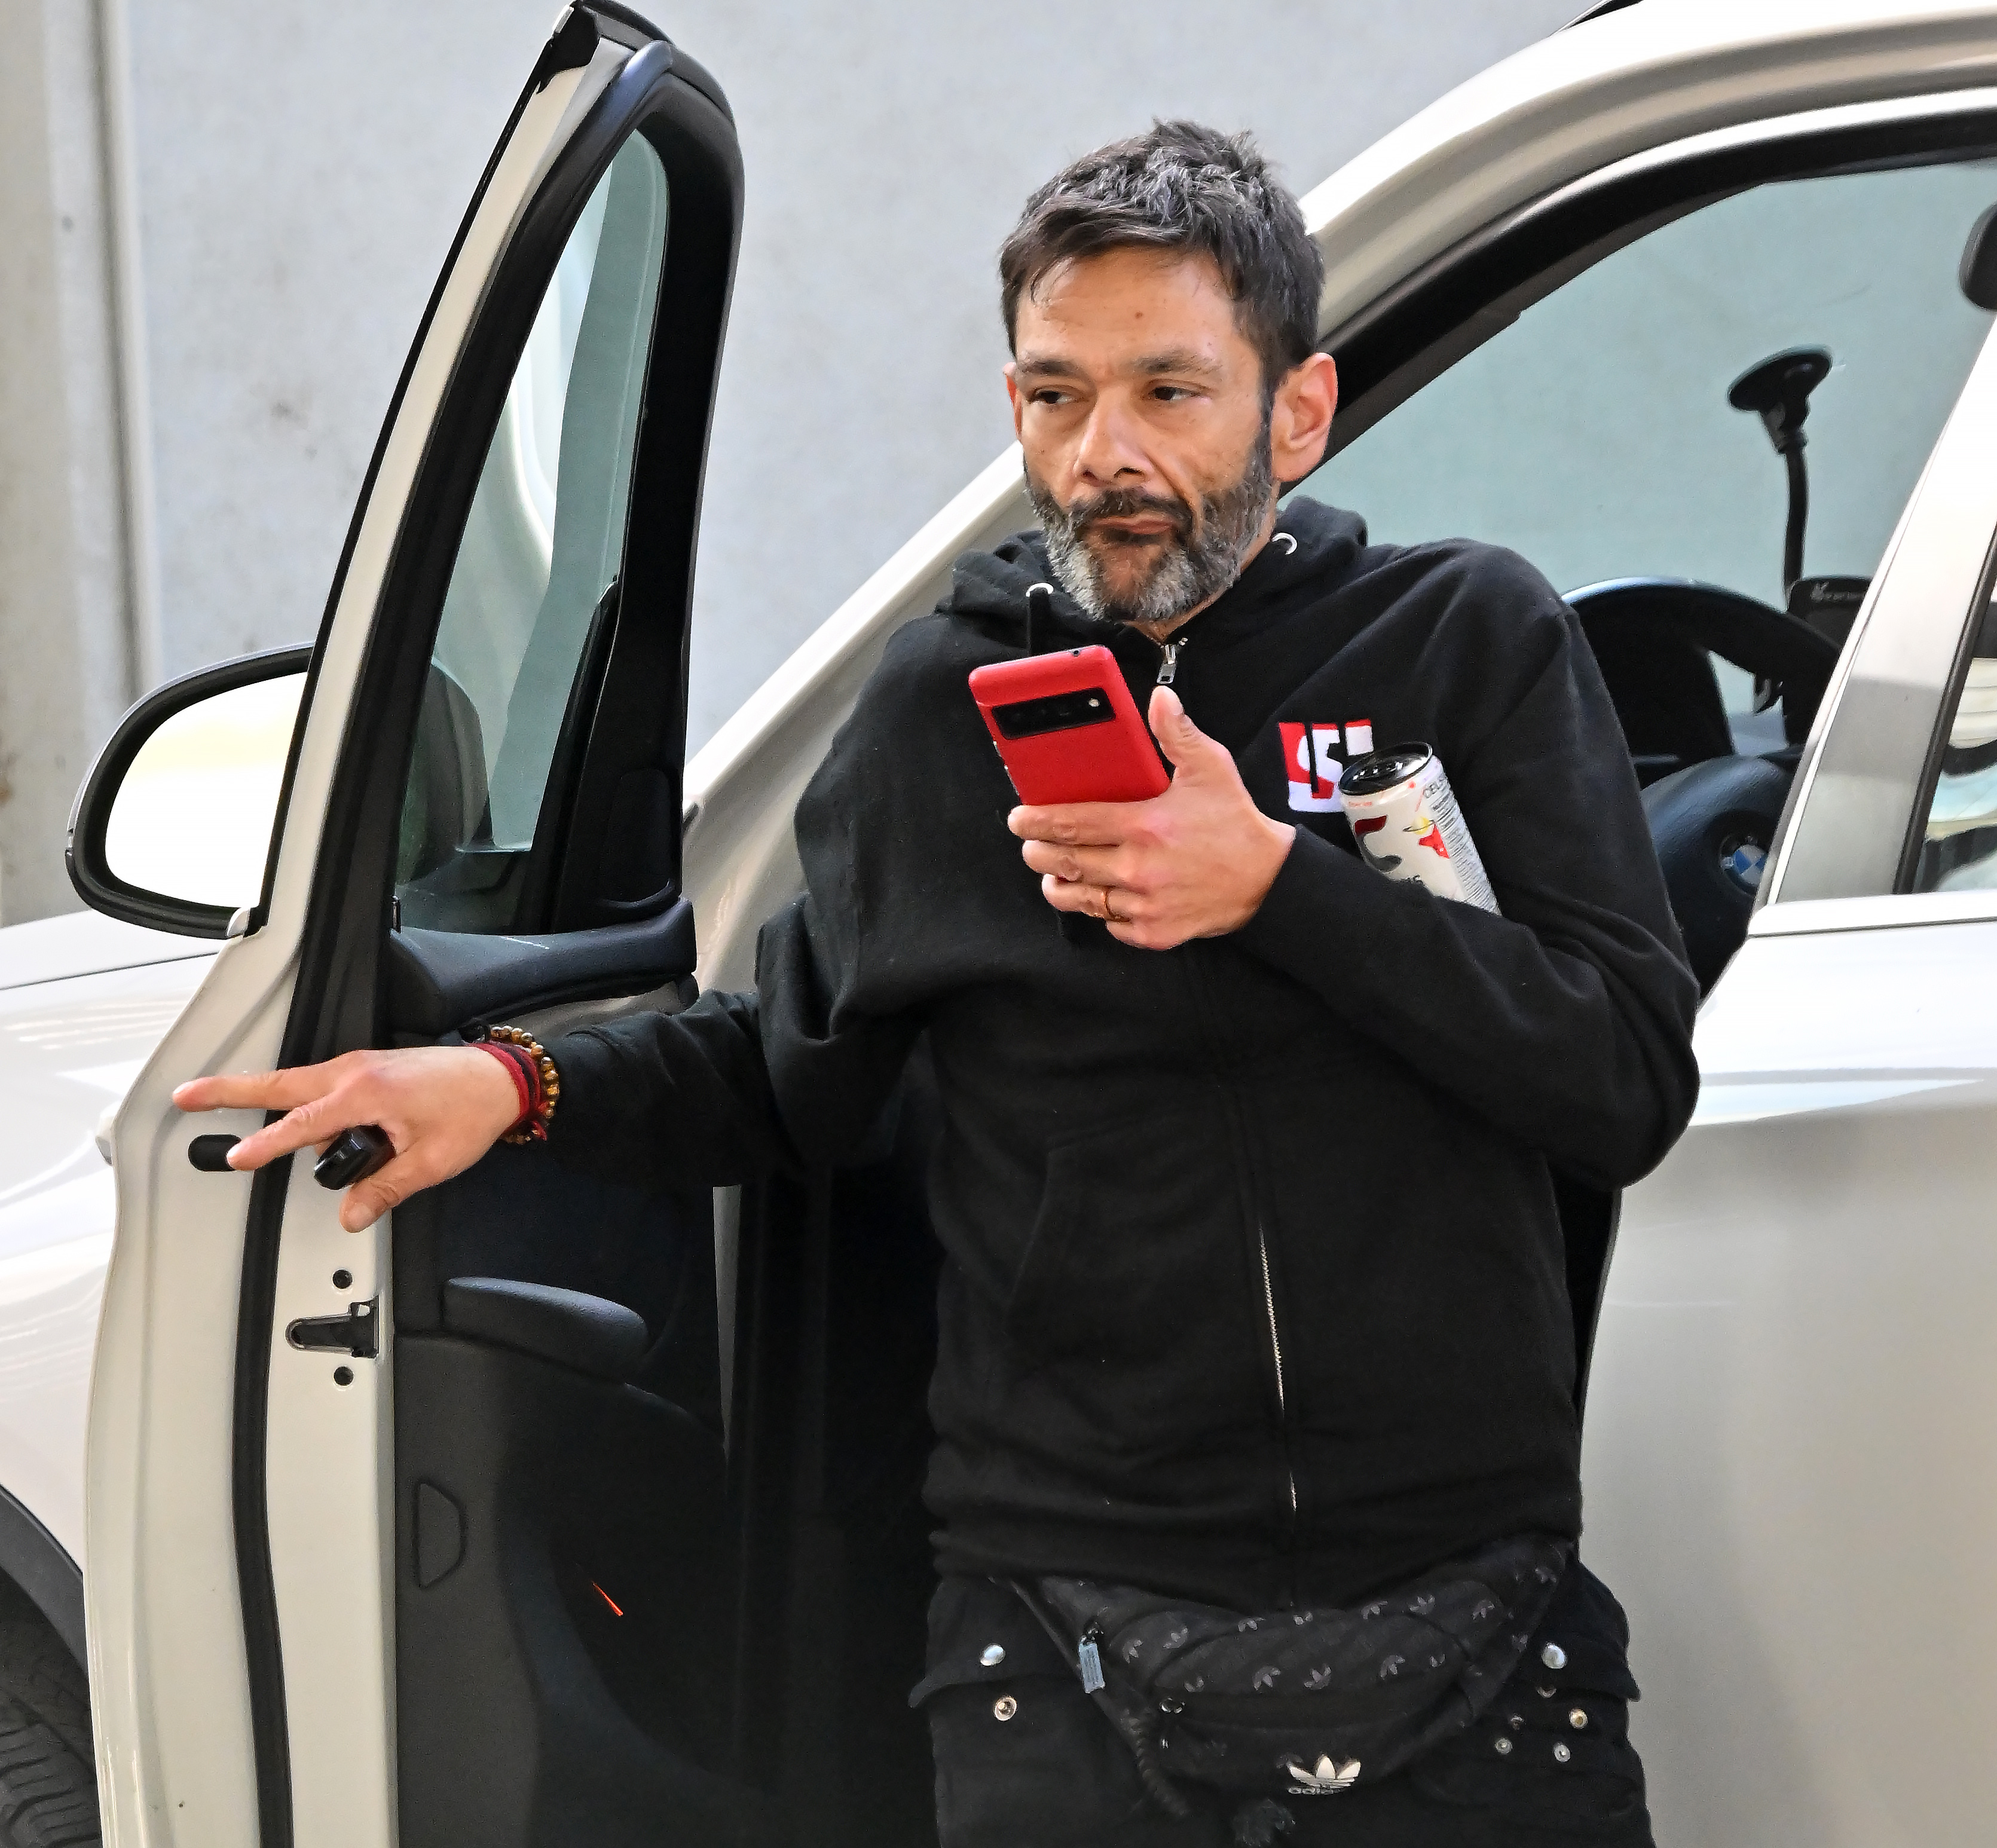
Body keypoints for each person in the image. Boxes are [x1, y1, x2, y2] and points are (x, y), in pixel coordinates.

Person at [176, 123, 1698, 1846]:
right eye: (1056, 396)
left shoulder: (1466, 642)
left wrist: (1275, 888)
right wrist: (511, 1082)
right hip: (1066, 1652)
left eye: (1168, 393)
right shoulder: (940, 711)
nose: (1102, 455)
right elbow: (789, 1070)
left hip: (1471, 1639)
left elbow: (1624, 1074)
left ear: (1299, 407)